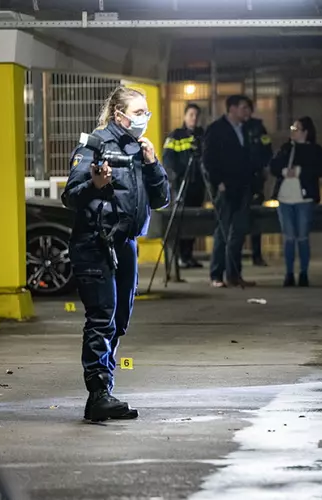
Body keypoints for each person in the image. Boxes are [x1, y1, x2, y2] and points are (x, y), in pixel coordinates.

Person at [61, 86, 170, 421]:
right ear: (119, 114)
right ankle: (98, 394)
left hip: (126, 245)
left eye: (146, 112)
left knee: (118, 320)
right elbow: (70, 196)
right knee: (101, 317)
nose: (144, 119)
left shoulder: (140, 149)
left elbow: (161, 197)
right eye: (138, 113)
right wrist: (95, 184)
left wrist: (151, 163)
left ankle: (105, 389)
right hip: (95, 244)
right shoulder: (94, 144)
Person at [202, 94, 256, 288]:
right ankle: (216, 275)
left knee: (238, 232)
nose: (247, 112)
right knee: (223, 232)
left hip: (243, 186)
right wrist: (218, 182)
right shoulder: (216, 130)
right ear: (232, 109)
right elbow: (208, 159)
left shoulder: (247, 129)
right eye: (243, 108)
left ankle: (234, 274)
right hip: (225, 187)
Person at [270, 117, 322, 287]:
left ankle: (303, 273)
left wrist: (300, 172)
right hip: (285, 198)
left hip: (304, 199)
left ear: (305, 132)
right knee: (289, 237)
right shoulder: (286, 148)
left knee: (302, 237)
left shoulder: (315, 150)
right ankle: (289, 273)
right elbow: (274, 166)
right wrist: (283, 171)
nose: (292, 131)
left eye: (296, 129)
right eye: (292, 128)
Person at [163, 103, 205, 269]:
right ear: (185, 116)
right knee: (180, 221)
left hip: (198, 184)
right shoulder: (176, 135)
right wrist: (176, 177)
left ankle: (188, 256)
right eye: (191, 115)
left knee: (193, 222)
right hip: (181, 184)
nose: (194, 118)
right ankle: (179, 257)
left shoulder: (202, 135)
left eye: (196, 115)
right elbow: (168, 160)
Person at [245, 99, 273, 267]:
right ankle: (236, 256)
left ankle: (257, 254)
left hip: (256, 179)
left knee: (256, 217)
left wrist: (263, 167)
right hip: (239, 180)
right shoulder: (235, 128)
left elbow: (267, 149)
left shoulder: (258, 128)